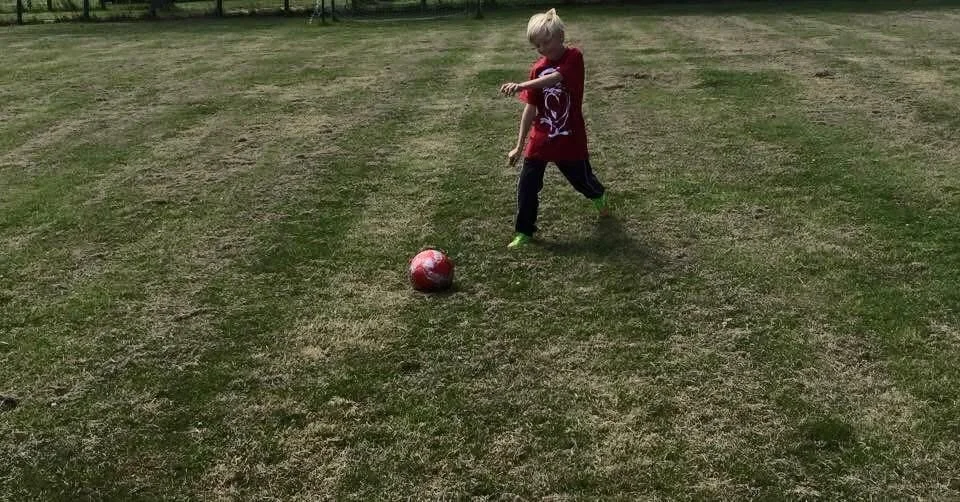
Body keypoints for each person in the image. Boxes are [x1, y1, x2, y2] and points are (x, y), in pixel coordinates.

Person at [499, 8, 610, 249]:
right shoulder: (537, 68)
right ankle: (524, 231)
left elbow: (555, 78)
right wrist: (519, 146)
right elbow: (530, 108)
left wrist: (520, 84)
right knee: (527, 184)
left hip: (569, 138)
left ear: (560, 36)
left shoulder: (574, 57)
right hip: (541, 137)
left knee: (582, 181)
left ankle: (598, 195)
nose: (541, 49)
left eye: (545, 42)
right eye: (536, 45)